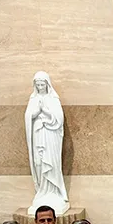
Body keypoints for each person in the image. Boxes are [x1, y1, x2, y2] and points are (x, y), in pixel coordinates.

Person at [25, 70, 69, 215]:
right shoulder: (33, 99)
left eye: (42, 84)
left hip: (51, 137)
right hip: (38, 136)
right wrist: (36, 113)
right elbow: (28, 117)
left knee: (52, 163)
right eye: (37, 84)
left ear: (47, 84)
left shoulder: (53, 99)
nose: (40, 87)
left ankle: (54, 192)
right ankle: (43, 192)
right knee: (40, 163)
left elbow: (59, 119)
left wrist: (46, 112)